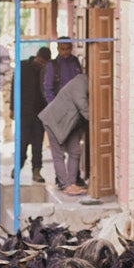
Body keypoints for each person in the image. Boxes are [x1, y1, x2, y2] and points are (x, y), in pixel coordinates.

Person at [40, 63, 90, 197]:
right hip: (54, 121)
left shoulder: (84, 83)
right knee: (59, 155)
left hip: (70, 124)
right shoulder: (80, 83)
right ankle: (65, 185)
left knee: (75, 152)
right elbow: (83, 106)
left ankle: (72, 183)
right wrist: (96, 121)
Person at [18, 46, 50, 181]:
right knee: (22, 142)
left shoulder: (47, 70)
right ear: (37, 56)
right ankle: (17, 167)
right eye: (41, 61)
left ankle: (36, 171)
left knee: (37, 144)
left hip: (40, 112)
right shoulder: (23, 66)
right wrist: (13, 108)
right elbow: (15, 86)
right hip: (24, 111)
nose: (41, 65)